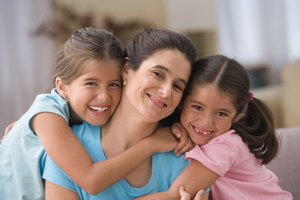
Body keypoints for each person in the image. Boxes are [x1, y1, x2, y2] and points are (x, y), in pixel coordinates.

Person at [0, 27, 191, 200]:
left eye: (113, 85)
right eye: (158, 74)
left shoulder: (183, 154)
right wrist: (151, 145)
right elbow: (91, 181)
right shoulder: (49, 118)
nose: (103, 97)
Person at [42, 28, 212, 200]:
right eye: (158, 74)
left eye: (177, 86)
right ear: (127, 69)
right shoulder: (71, 150)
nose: (166, 92)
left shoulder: (187, 159)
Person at [138, 55, 293, 199]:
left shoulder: (226, 146)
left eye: (221, 114)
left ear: (238, 115)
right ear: (182, 102)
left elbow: (175, 195)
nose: (206, 122)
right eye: (198, 107)